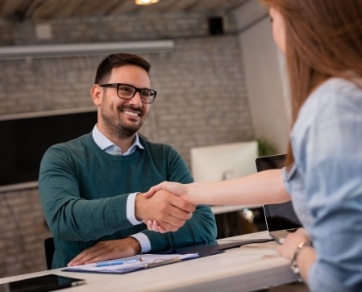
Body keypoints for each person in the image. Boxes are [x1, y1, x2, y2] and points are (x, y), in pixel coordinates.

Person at [144, 0, 362, 291]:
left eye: (273, 20)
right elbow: (290, 180)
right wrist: (188, 192)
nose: (274, 32)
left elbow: (342, 280)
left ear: (302, 23)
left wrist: (299, 250)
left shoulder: (332, 105)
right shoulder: (348, 93)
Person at [38, 53, 217, 269]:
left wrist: (136, 243)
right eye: (125, 89)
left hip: (159, 282)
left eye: (145, 93)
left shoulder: (165, 157)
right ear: (97, 94)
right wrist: (138, 206)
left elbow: (204, 223)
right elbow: (63, 219)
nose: (136, 101)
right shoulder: (62, 156)